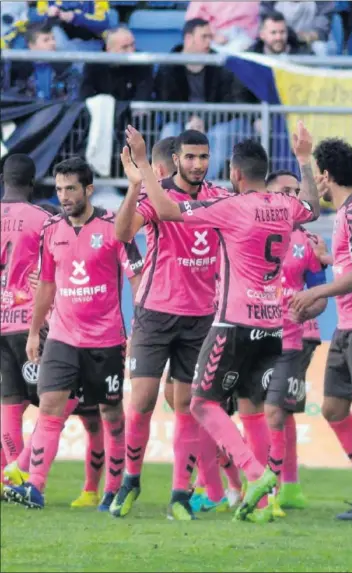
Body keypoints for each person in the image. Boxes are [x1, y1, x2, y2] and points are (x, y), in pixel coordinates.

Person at [124, 121, 320, 523]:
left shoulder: (229, 205)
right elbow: (313, 207)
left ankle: (254, 475)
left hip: (232, 322)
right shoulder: (285, 206)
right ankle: (263, 503)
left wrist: (143, 164)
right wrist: (304, 160)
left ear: (232, 173)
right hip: (272, 325)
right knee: (252, 407)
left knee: (200, 403)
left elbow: (166, 210)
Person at [4, 157, 143, 511]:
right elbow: (46, 285)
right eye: (60, 189)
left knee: (110, 414)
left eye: (71, 189)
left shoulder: (115, 227)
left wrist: (142, 325)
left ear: (89, 190)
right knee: (50, 409)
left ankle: (112, 489)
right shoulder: (51, 230)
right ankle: (34, 486)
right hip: (62, 337)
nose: (64, 196)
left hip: (106, 339)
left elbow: (137, 279)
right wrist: (35, 332)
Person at [110, 129, 231, 520]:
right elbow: (123, 233)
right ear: (176, 159)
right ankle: (130, 481)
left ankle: (180, 494)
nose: (197, 164)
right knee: (142, 401)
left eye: (203, 156)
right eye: (190, 157)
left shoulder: (220, 197)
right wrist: (133, 186)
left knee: (188, 405)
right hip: (155, 313)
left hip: (201, 318)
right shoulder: (156, 193)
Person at [291, 138, 352, 522]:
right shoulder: (345, 213)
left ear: (325, 176)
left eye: (315, 177)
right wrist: (330, 261)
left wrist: (318, 289)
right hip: (346, 325)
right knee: (333, 408)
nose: (316, 186)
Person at [263, 169, 328, 510]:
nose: (291, 197)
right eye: (283, 191)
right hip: (255, 332)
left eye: (295, 190)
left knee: (277, 411)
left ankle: (280, 487)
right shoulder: (251, 232)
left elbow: (321, 293)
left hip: (298, 336)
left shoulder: (308, 240)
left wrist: (305, 311)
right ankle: (284, 486)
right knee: (268, 412)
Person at [0, 154, 51, 497]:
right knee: (59, 403)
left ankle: (10, 479)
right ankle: (21, 477)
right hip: (30, 323)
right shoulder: (44, 220)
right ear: (33, 183)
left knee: (9, 404)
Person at [155, 18, 243, 180]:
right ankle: (172, 183)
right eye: (204, 37)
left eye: (211, 37)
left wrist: (205, 122)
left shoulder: (220, 64)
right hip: (181, 121)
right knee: (169, 131)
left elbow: (230, 101)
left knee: (220, 134)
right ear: (188, 38)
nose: (209, 42)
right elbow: (165, 104)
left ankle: (203, 184)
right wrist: (189, 121)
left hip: (214, 121)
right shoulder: (169, 66)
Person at [79, 26, 154, 102]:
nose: (131, 51)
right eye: (125, 47)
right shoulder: (93, 64)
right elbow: (85, 96)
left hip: (132, 111)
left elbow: (143, 97)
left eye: (132, 44)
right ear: (109, 49)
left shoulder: (142, 61)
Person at [260, 1, 336, 56]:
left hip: (308, 41)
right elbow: (267, 19)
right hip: (279, 37)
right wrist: (287, 35)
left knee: (320, 47)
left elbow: (322, 28)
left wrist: (311, 35)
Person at [185, 1, 260, 52]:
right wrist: (213, 36)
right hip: (213, 37)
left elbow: (258, 20)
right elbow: (193, 21)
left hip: (247, 38)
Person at [248, 11, 314, 55]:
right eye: (273, 33)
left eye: (282, 32)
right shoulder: (250, 57)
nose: (278, 37)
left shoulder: (304, 54)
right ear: (262, 35)